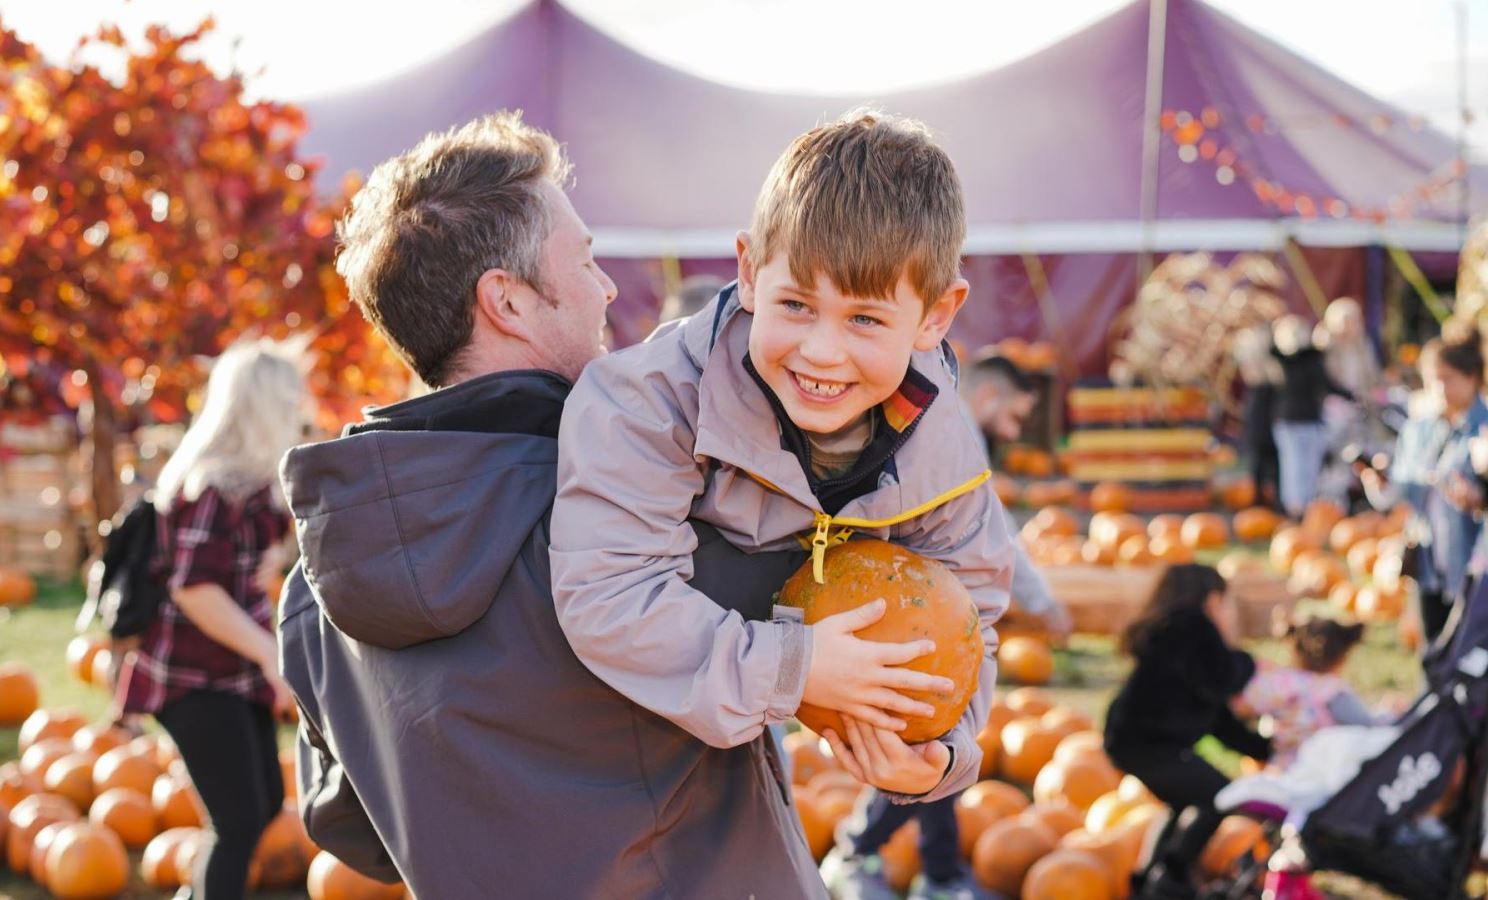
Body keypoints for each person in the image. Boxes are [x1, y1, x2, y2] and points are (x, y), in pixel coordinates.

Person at [275, 112, 826, 898]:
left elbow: (352, 833)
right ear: (508, 300)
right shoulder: (640, 504)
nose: (606, 288)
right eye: (586, 259)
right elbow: (847, 627)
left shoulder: (317, 585)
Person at [550, 109, 1013, 817]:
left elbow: (968, 616)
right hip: (598, 734)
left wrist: (939, 753)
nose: (822, 351)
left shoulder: (942, 448)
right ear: (747, 271)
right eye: (795, 304)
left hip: (746, 739)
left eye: (864, 319)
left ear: (935, 317)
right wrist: (797, 669)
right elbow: (611, 597)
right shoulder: (646, 403)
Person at [822, 352, 1069, 900]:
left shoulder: (928, 417)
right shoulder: (952, 428)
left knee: (934, 744)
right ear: (988, 398)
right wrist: (1042, 601)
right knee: (926, 741)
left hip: (917, 604)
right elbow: (994, 536)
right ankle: (864, 851)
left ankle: (932, 870)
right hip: (914, 610)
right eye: (1014, 415)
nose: (1015, 429)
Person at [114, 337, 308, 900]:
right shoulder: (214, 488)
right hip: (193, 679)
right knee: (240, 822)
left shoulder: (250, 486)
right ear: (263, 407)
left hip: (229, 672)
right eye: (291, 400)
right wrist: (270, 654)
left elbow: (230, 570)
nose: (300, 411)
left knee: (264, 803)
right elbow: (195, 589)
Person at [1102, 564, 1270, 900]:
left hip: (1132, 741)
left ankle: (1148, 879)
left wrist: (1261, 748)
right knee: (1219, 795)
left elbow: (1215, 716)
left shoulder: (1179, 638)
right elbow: (1224, 676)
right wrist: (1249, 664)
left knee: (1183, 801)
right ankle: (1171, 875)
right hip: (1146, 742)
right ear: (1212, 600)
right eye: (1226, 604)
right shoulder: (1193, 627)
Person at [1362, 331, 1488, 643]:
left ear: (1472, 378)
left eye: (1447, 378)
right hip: (1428, 556)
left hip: (1474, 559)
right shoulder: (1419, 429)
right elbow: (1401, 492)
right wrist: (1380, 482)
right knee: (1433, 645)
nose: (1438, 388)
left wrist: (1480, 500)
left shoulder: (1484, 428)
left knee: (1470, 649)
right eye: (1432, 379)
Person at [1231, 614, 1377, 768]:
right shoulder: (1333, 691)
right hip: (1325, 769)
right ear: (1341, 658)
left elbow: (1241, 706)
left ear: (1293, 652)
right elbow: (1365, 726)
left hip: (1283, 769)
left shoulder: (1282, 684)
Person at [1270, 315, 1352, 517]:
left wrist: (1351, 395)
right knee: (1296, 465)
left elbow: (1328, 384)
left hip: (1307, 420)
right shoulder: (1285, 361)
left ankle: (1304, 508)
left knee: (1305, 466)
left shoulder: (1312, 359)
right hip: (1292, 421)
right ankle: (1296, 508)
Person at [1231, 324, 1283, 512]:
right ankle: (1260, 501)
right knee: (1260, 459)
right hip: (1260, 410)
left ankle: (1272, 501)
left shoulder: (1274, 362)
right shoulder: (1254, 370)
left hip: (1269, 408)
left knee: (1270, 459)